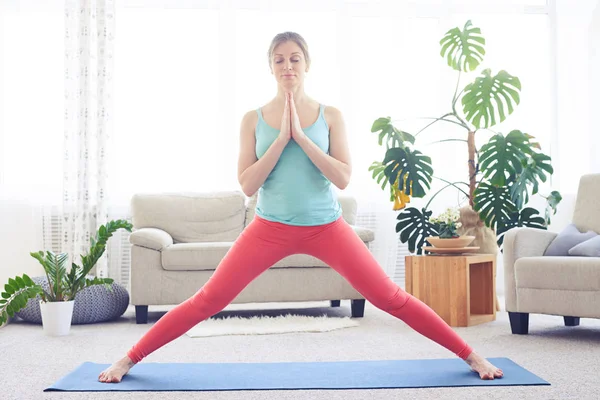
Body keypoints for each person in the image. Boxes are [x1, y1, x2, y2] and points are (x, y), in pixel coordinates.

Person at [98, 31, 503, 383]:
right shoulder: (252, 119)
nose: (287, 65)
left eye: (294, 58)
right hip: (268, 227)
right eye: (279, 59)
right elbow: (247, 185)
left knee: (390, 297)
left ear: (307, 64)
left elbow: (343, 178)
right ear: (270, 67)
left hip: (326, 226)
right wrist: (280, 139)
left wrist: (303, 138)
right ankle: (128, 359)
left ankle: (471, 355)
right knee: (208, 300)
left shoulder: (330, 115)